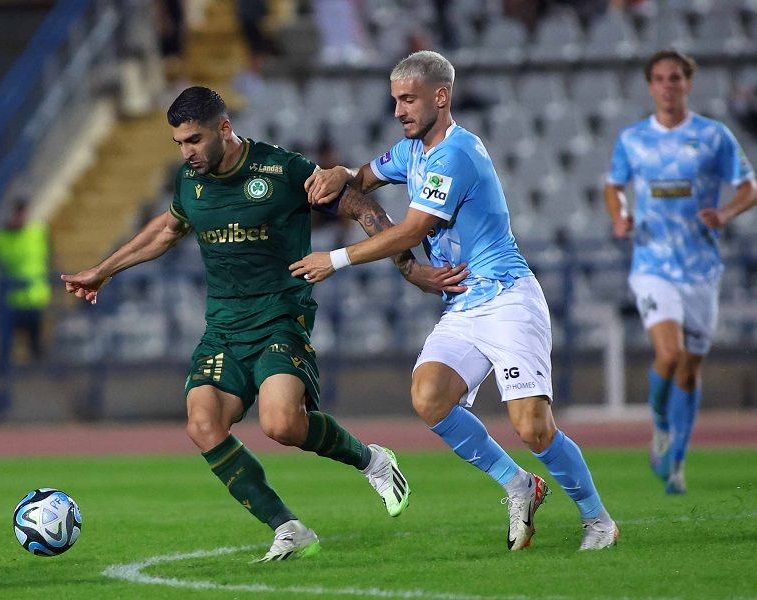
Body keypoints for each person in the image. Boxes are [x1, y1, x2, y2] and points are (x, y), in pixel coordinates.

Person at [61, 86, 468, 562]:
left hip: (280, 318)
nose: (186, 152)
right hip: (223, 329)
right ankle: (288, 527)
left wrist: (409, 268)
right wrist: (104, 270)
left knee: (281, 424)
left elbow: (362, 207)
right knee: (202, 423)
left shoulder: (282, 169)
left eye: (194, 140)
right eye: (179, 143)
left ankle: (372, 460)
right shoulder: (190, 181)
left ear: (224, 128)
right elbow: (168, 229)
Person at [291, 50, 618, 551]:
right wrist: (341, 172)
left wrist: (334, 260)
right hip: (463, 302)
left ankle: (598, 521)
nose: (399, 110)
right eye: (395, 100)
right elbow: (366, 176)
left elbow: (412, 230)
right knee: (429, 397)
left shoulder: (456, 154)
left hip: (506, 297)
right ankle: (519, 485)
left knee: (532, 427)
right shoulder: (413, 151)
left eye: (409, 99)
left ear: (441, 97)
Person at [603, 50, 756, 495]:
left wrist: (725, 213)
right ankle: (661, 424)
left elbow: (749, 186)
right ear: (650, 86)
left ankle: (678, 463)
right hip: (653, 262)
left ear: (688, 83)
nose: (667, 86)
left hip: (701, 267)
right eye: (659, 78)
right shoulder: (633, 139)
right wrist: (620, 216)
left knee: (689, 369)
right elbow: (614, 186)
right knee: (669, 355)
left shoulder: (713, 136)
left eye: (675, 78)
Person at [0, 199, 52, 419]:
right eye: (17, 214)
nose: (21, 218)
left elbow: (49, 260)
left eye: (23, 213)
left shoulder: (38, 233)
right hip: (9, 304)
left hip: (34, 301)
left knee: (37, 349)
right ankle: (2, 397)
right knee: (5, 352)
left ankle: (43, 397)